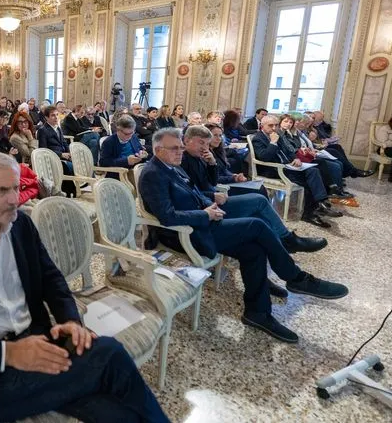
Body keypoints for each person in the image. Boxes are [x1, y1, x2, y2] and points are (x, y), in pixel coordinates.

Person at [0, 151, 170, 423]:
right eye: (2, 191)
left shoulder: (21, 224)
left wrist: (69, 319)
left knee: (111, 391)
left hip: (35, 338)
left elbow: (51, 278)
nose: (14, 199)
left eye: (16, 187)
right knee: (109, 359)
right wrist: (10, 354)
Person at [140, 128, 347, 343]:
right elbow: (167, 216)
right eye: (175, 148)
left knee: (254, 250)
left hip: (205, 221)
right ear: (157, 149)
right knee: (256, 226)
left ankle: (257, 313)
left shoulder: (172, 167)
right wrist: (204, 214)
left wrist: (209, 201)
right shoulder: (153, 173)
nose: (180, 151)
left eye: (181, 147)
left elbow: (195, 192)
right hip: (188, 234)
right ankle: (296, 277)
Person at [251, 115, 342, 228]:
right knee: (310, 179)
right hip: (273, 169)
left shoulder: (277, 134)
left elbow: (288, 150)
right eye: (270, 125)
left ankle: (320, 204)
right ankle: (314, 210)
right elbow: (264, 157)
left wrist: (295, 158)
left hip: (288, 166)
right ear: (262, 126)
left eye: (276, 125)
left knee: (314, 171)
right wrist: (273, 143)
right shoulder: (258, 138)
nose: (274, 128)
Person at [278, 114, 352, 199]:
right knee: (322, 164)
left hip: (302, 156)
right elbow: (290, 149)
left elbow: (298, 145)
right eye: (286, 122)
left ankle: (334, 188)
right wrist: (302, 150)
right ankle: (332, 188)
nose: (289, 124)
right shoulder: (282, 134)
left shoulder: (291, 133)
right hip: (293, 160)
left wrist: (305, 149)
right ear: (280, 122)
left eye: (291, 122)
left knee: (333, 161)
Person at [206, 123, 269, 197]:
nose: (218, 138)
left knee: (260, 187)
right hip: (218, 188)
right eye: (215, 135)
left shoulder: (217, 151)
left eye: (220, 135)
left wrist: (234, 175)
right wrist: (233, 178)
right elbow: (213, 178)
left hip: (226, 182)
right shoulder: (206, 155)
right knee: (260, 189)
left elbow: (224, 170)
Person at [37, 105, 75, 196]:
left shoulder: (57, 128)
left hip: (63, 155)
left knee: (77, 163)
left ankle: (84, 183)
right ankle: (69, 192)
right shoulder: (43, 130)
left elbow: (64, 143)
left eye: (57, 115)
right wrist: (61, 154)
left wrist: (70, 152)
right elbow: (43, 149)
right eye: (53, 115)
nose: (56, 117)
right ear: (46, 117)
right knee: (67, 166)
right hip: (52, 158)